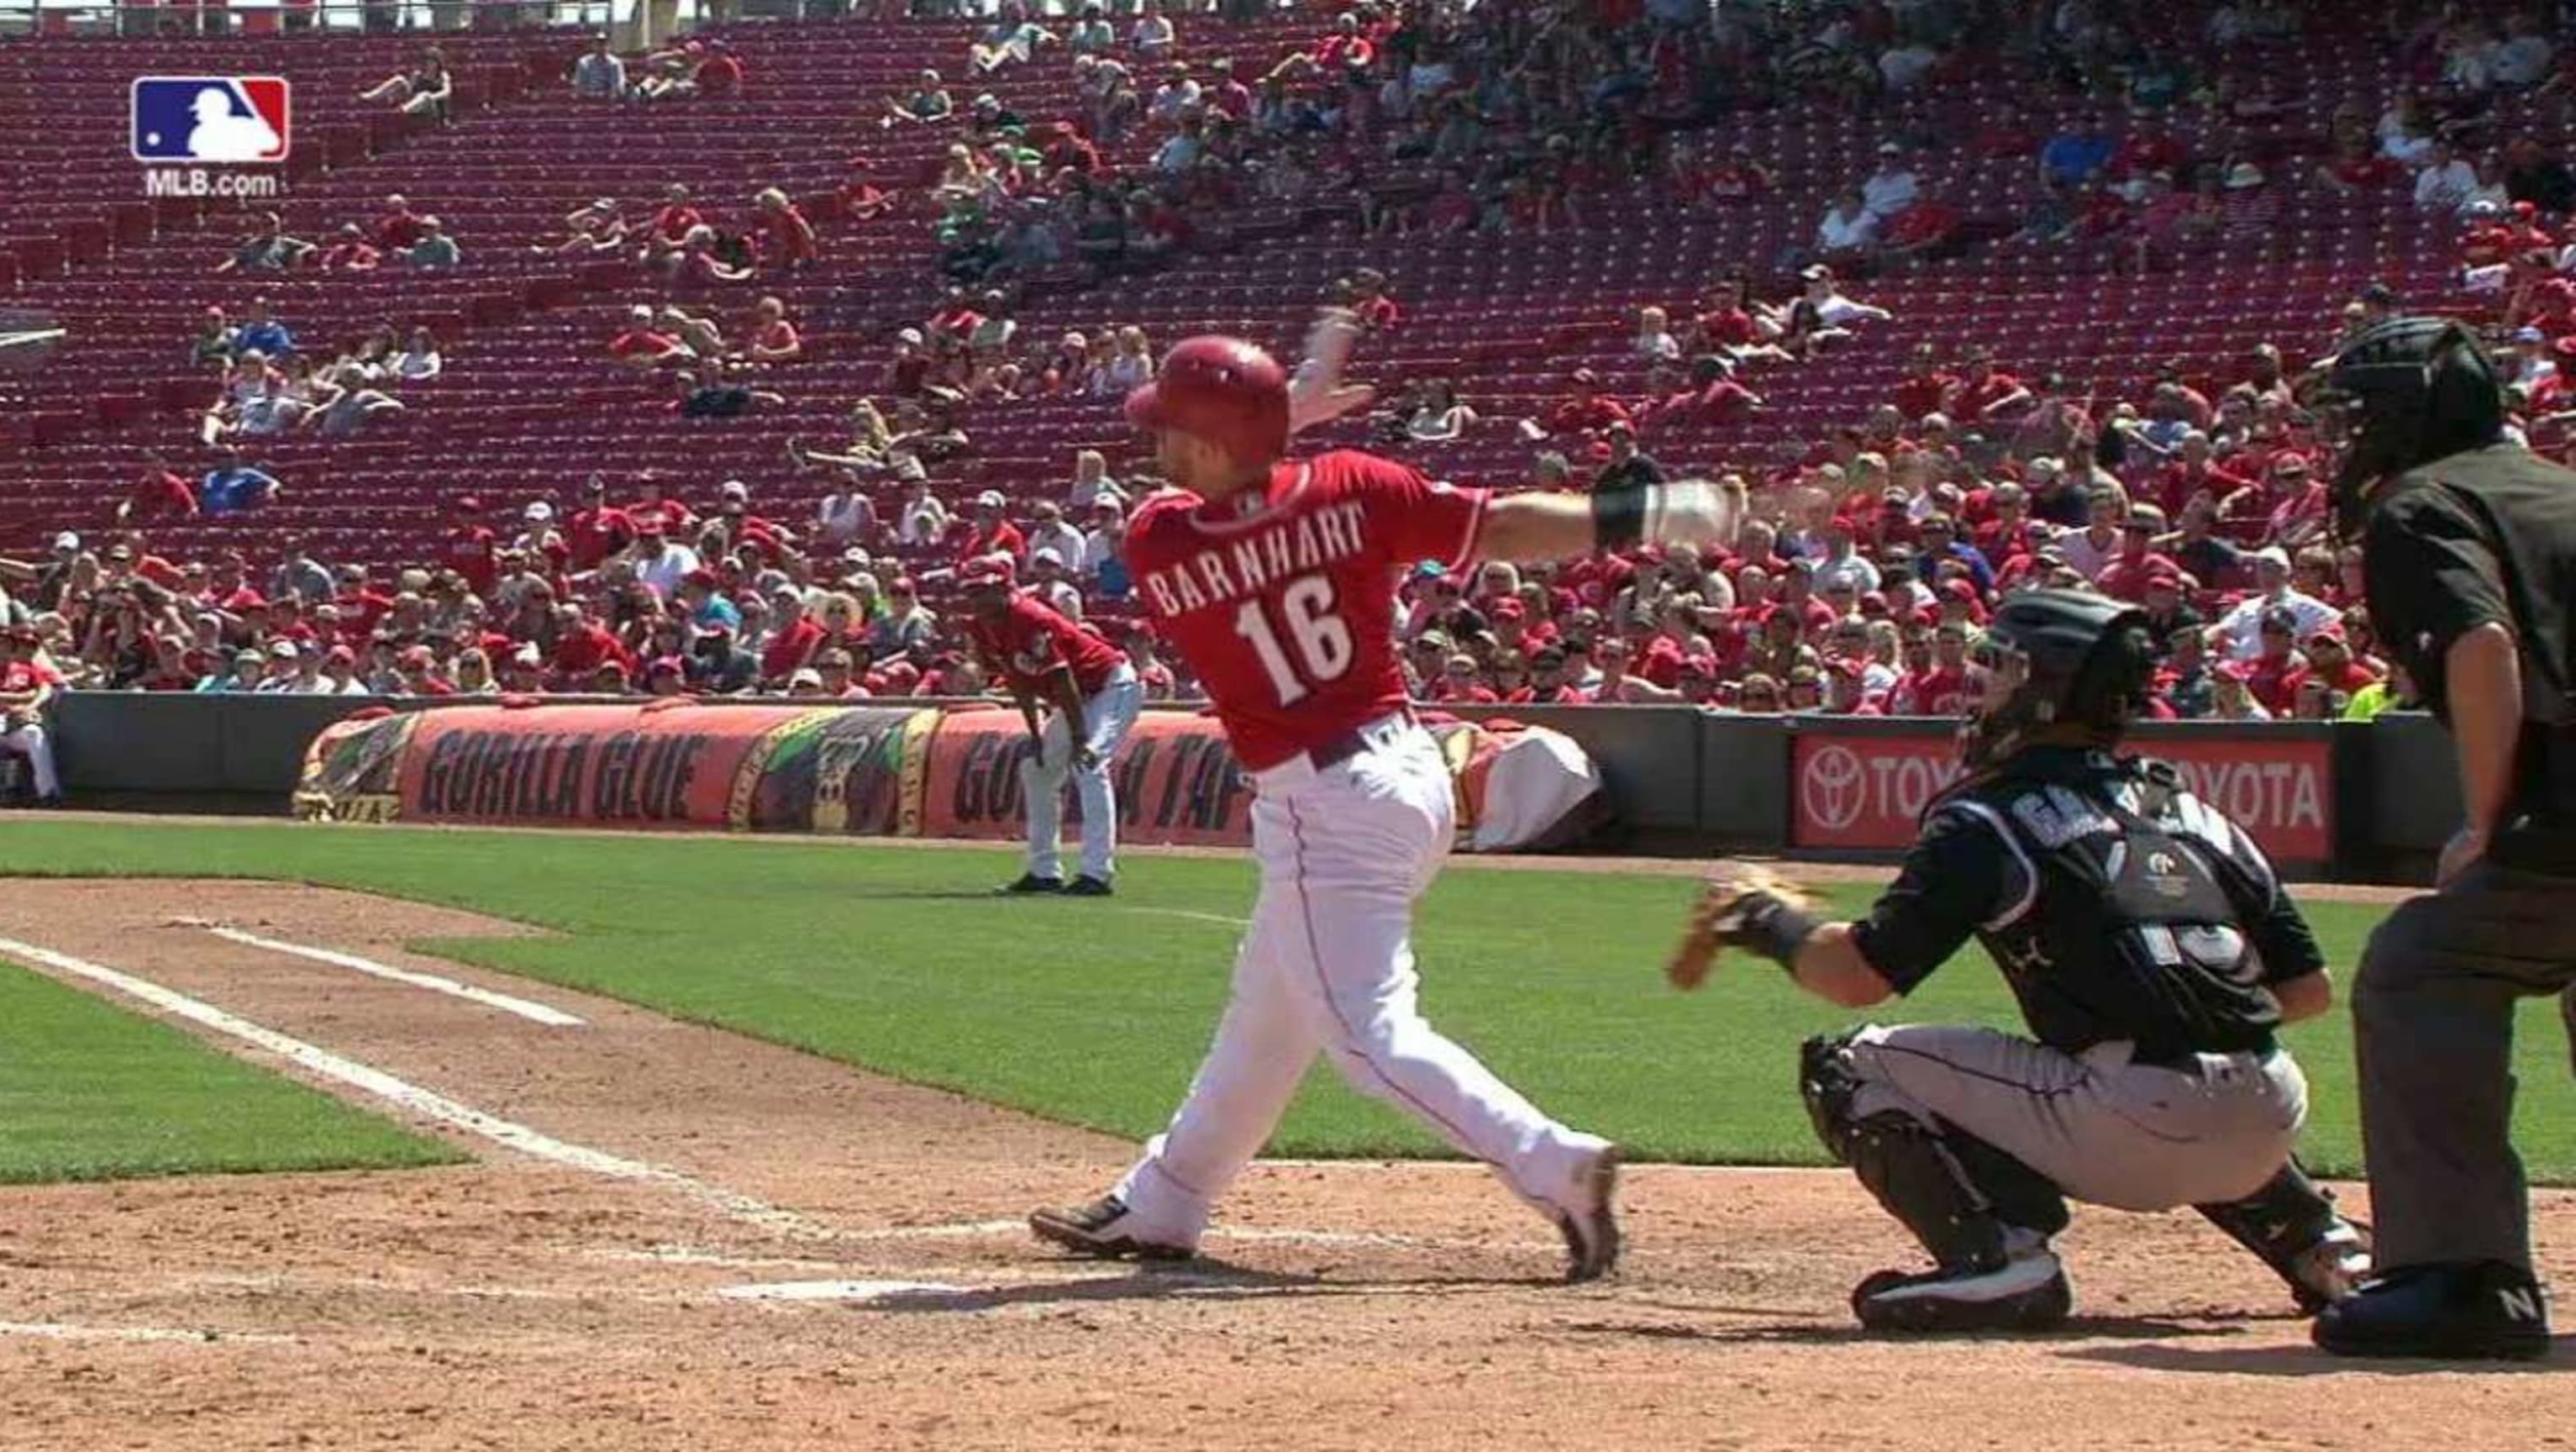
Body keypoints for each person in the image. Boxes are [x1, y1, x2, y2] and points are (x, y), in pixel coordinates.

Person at [1026, 314, 1733, 1279]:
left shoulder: (1161, 544)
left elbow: (1240, 505)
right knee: (1268, 1013)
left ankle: (1557, 1164)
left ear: (1208, 443)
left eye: (1170, 432)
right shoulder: (1361, 486)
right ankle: (1166, 1200)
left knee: (1366, 1035)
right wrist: (1639, 516)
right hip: (1412, 771)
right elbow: (1509, 526)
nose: (1152, 447)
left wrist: (1282, 428)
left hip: (1325, 804)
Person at [1669, 590, 2368, 1333]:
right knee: (2197, 1069)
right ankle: (2326, 1247)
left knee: (1850, 1066)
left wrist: (1766, 919)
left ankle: (2000, 1260)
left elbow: (1856, 980)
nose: (1982, 689)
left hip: (2128, 1124)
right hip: (2272, 1115)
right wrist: (2179, 1019)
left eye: (2000, 670)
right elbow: (2310, 990)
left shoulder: (1987, 817)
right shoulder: (2194, 811)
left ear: (2045, 687)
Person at [2307, 318, 2576, 1360]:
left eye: (2362, 414)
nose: (2352, 438)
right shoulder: (2561, 486)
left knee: (2424, 965)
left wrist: (2486, 819)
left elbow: (2481, 641)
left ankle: (2464, 1278)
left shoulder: (2426, 503)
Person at [960, 555, 1141, 897]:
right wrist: (1035, 734)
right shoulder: (984, 625)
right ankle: (1044, 870)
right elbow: (1018, 680)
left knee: (1089, 763)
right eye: (971, 593)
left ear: (1004, 587)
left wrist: (1078, 736)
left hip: (1110, 685)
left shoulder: (1029, 617)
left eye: (983, 591)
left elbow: (1062, 678)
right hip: (1077, 696)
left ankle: (1096, 873)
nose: (977, 600)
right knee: (1037, 770)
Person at [0, 626, 65, 808]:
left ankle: (48, 793)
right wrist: (17, 700)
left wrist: (28, 706)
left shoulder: (24, 669)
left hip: (15, 724)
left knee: (35, 733)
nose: (0, 646)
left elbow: (45, 688)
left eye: (4, 642)